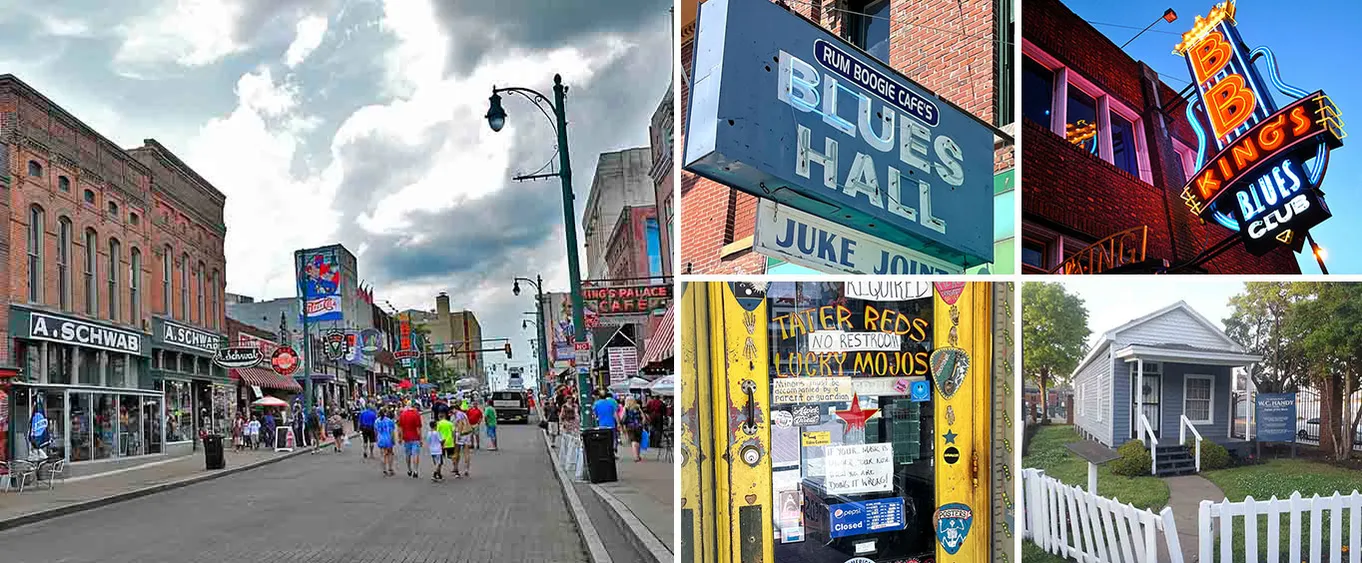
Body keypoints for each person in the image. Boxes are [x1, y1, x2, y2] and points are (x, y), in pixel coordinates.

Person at [397, 402, 423, 478]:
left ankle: (409, 469)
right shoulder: (416, 414)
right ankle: (415, 470)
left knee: (408, 454)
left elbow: (400, 428)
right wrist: (420, 439)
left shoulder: (402, 415)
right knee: (415, 454)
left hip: (406, 437)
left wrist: (400, 438)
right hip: (415, 437)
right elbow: (418, 428)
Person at [622, 397, 646, 462]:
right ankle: (638, 455)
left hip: (630, 426)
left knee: (633, 441)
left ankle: (636, 457)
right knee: (638, 441)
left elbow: (623, 418)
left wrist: (623, 426)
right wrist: (642, 424)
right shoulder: (638, 408)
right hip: (638, 426)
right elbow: (644, 417)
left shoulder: (625, 408)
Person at [375, 408, 397, 476]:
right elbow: (392, 432)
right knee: (390, 453)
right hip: (388, 439)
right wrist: (393, 440)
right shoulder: (389, 421)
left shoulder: (377, 421)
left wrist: (376, 439)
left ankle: (384, 469)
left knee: (383, 454)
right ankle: (390, 468)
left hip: (380, 438)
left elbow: (375, 431)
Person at [454, 405, 474, 476]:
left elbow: (460, 424)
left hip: (461, 434)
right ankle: (466, 469)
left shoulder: (458, 414)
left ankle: (456, 469)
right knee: (466, 453)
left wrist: (458, 434)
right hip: (467, 434)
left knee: (457, 452)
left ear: (455, 409)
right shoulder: (464, 414)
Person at [436, 411, 456, 479]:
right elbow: (453, 433)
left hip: (442, 443)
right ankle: (456, 470)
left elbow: (437, 433)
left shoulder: (438, 424)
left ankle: (438, 473)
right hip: (450, 442)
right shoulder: (450, 423)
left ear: (440, 417)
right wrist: (453, 440)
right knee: (452, 456)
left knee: (440, 459)